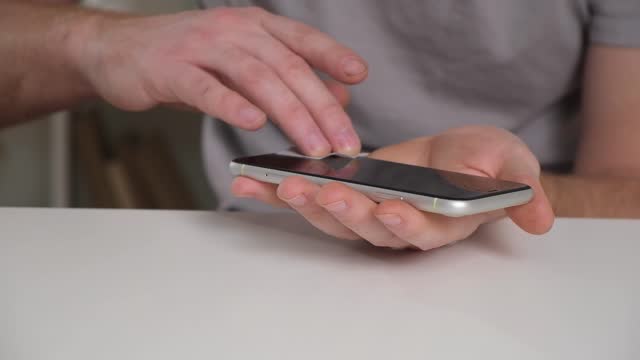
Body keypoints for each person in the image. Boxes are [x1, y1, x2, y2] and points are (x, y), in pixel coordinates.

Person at [1, 1, 639, 250]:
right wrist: (92, 41)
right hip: (262, 253)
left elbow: (627, 187)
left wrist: (496, 195)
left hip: (543, 263)